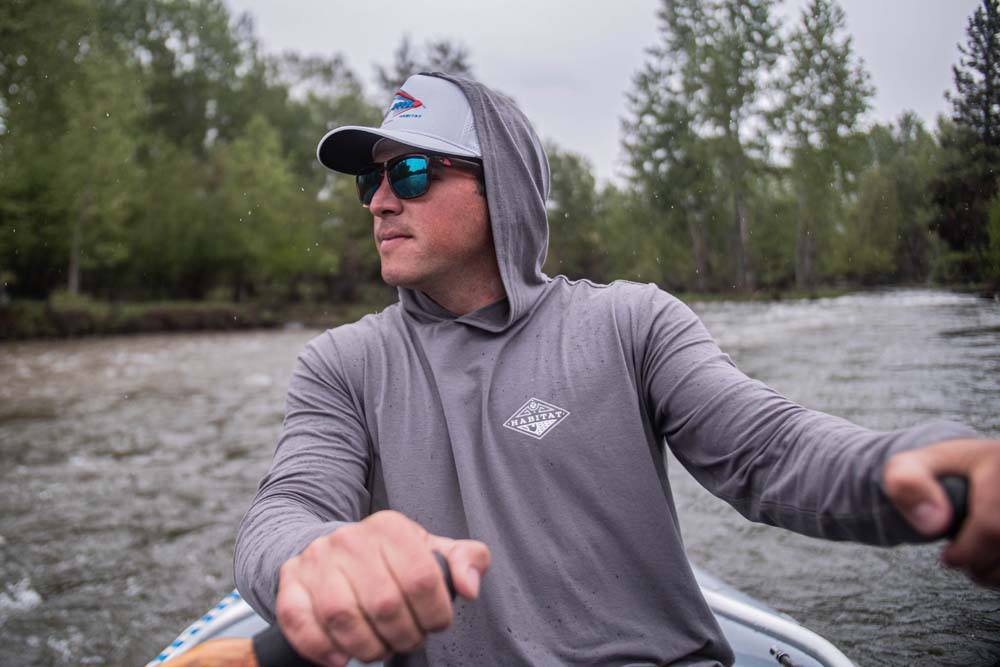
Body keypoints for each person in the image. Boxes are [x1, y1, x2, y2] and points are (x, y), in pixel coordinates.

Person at [234, 73, 1000, 667]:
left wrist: (930, 457)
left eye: (407, 175)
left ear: (501, 185)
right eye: (370, 182)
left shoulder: (631, 322)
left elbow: (774, 453)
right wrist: (316, 558)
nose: (377, 204)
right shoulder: (343, 364)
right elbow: (282, 515)